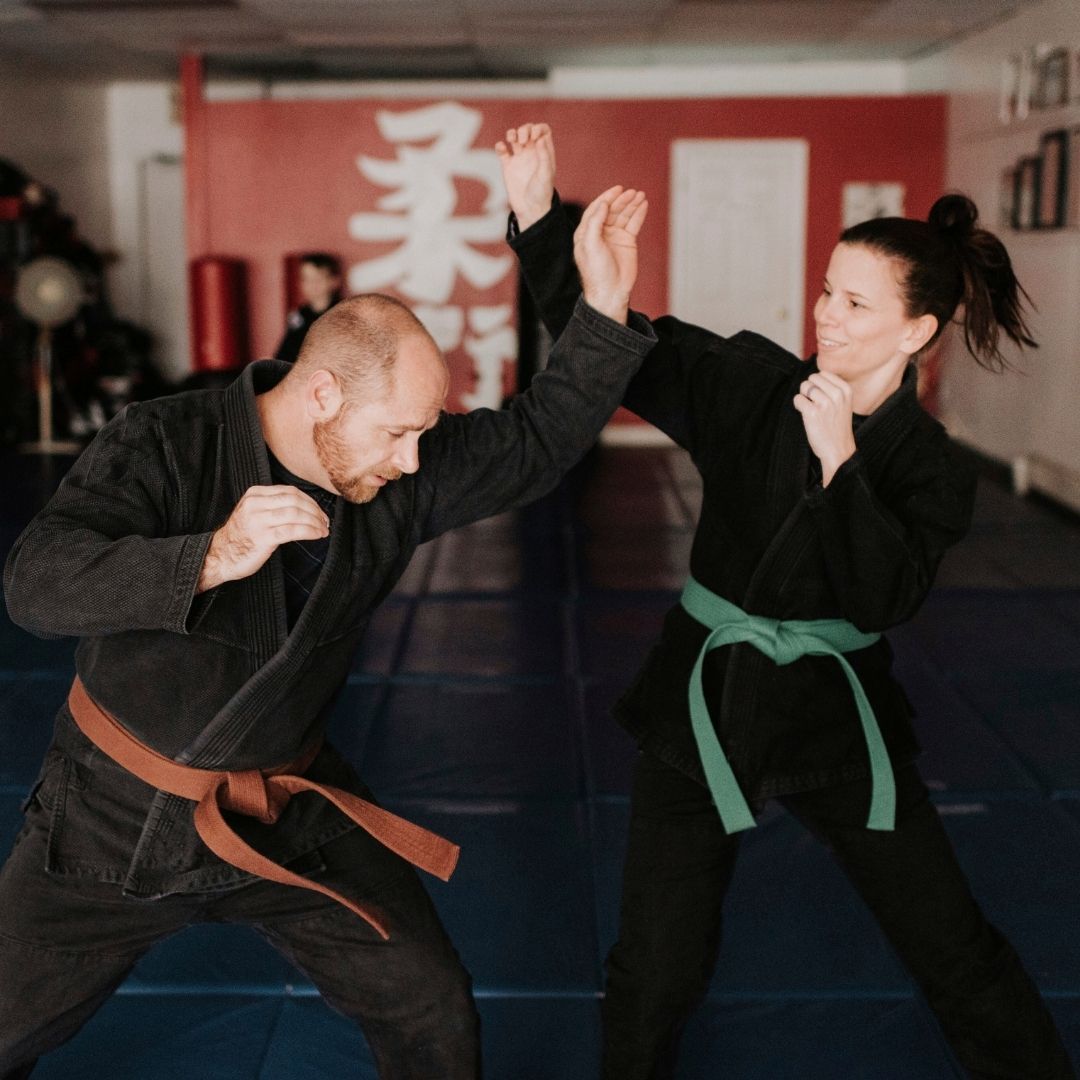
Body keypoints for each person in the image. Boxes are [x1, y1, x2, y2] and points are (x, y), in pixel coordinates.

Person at [0, 170, 653, 1079]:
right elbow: (34, 584)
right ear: (321, 398)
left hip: (285, 802)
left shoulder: (395, 469)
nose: (414, 457)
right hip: (112, 818)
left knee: (429, 1006)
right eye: (398, 432)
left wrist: (606, 302)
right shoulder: (163, 442)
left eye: (425, 432)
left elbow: (536, 440)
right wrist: (210, 556)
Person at [499, 122, 1075, 1080]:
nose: (828, 316)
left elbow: (883, 596)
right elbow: (616, 348)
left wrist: (844, 460)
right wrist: (537, 218)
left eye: (855, 302)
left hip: (837, 722)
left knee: (953, 949)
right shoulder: (756, 388)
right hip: (701, 698)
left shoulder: (931, 471)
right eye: (825, 291)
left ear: (919, 330)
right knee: (654, 969)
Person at [275, 252, 344, 363]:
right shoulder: (298, 316)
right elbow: (283, 354)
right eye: (306, 279)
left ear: (335, 281)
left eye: (318, 278)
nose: (312, 284)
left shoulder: (343, 313)